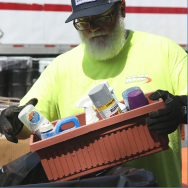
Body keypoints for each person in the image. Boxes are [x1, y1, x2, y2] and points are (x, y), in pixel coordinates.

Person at [0, 0, 187, 186]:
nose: (94, 29)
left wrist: (181, 107)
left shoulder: (164, 51)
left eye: (102, 18)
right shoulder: (61, 68)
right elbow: (30, 122)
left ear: (121, 9)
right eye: (83, 22)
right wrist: (15, 121)